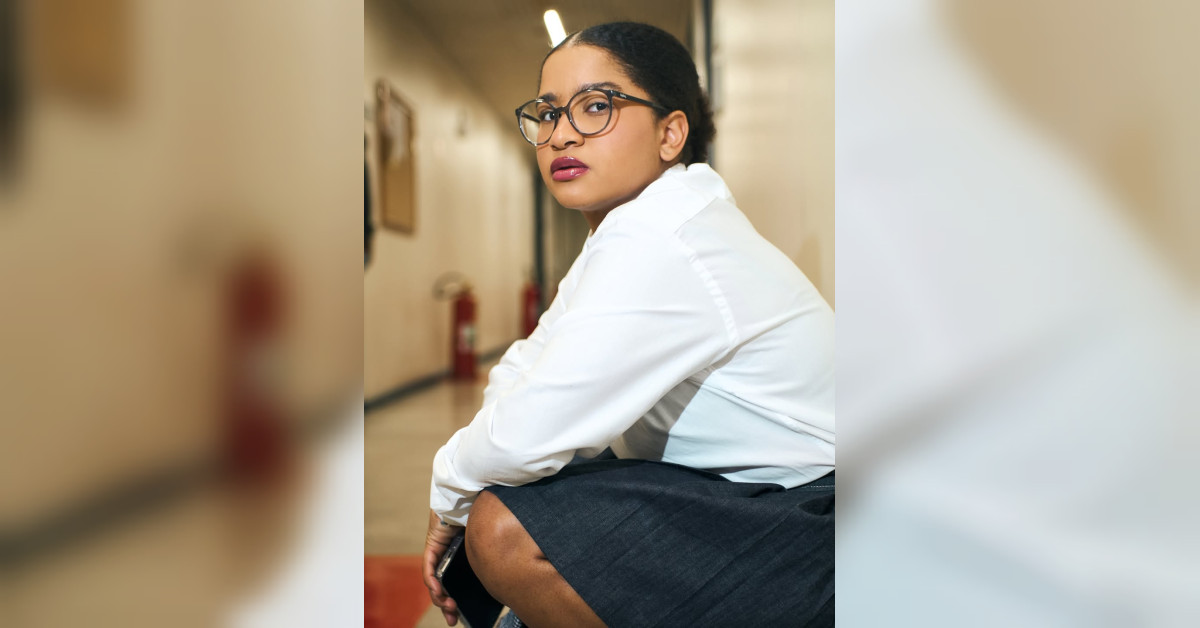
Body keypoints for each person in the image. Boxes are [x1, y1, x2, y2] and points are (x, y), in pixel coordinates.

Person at [422, 22, 835, 628]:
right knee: (525, 508)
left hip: (826, 522)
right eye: (547, 113)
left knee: (503, 532)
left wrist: (448, 496)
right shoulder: (633, 231)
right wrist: (466, 479)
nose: (561, 134)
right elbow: (524, 368)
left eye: (596, 106)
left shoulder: (664, 236)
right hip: (766, 497)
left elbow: (526, 432)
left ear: (670, 133)